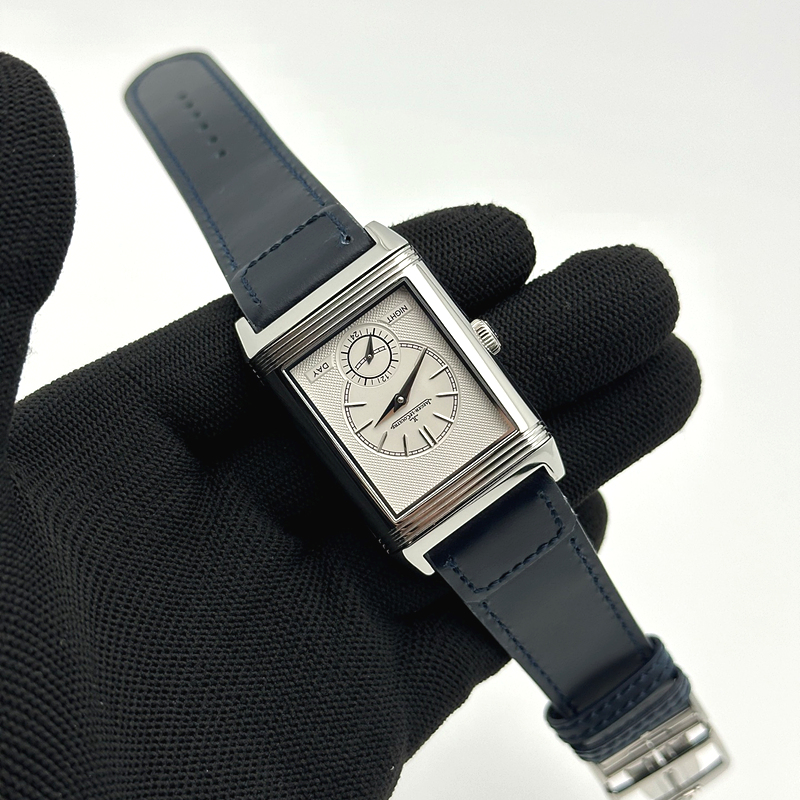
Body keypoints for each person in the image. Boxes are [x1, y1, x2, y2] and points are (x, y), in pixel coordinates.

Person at [0, 52, 700, 799]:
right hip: (429, 490)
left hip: (455, 476)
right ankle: (649, 738)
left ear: (478, 343)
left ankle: (647, 735)